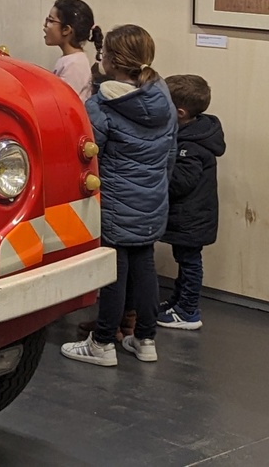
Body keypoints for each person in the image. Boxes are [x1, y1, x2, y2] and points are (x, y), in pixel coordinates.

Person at [61, 24, 176, 367]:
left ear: (110, 59)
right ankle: (145, 339)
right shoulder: (163, 97)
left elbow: (87, 156)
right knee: (145, 268)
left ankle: (102, 342)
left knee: (112, 272)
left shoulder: (102, 105)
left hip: (114, 201)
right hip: (153, 198)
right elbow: (170, 154)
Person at [156, 73, 225, 331]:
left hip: (192, 219)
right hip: (190, 217)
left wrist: (156, 175)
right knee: (184, 260)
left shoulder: (191, 145)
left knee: (190, 263)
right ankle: (178, 301)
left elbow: (181, 181)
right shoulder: (191, 133)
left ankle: (188, 310)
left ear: (180, 113)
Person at [42, 0, 103, 101]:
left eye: (51, 20)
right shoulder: (69, 59)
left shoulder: (75, 64)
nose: (45, 25)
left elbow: (62, 101)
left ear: (66, 30)